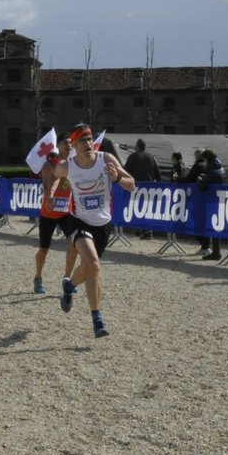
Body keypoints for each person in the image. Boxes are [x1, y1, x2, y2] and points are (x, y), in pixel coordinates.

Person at [44, 124, 134, 338]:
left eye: (90, 139)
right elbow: (55, 176)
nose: (88, 144)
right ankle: (97, 319)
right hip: (78, 221)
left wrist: (117, 179)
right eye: (83, 141)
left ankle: (70, 286)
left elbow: (132, 184)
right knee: (94, 264)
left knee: (90, 269)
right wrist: (50, 194)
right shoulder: (68, 166)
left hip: (103, 225)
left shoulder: (106, 160)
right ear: (74, 146)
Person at [33, 149, 77, 295]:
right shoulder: (49, 165)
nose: (69, 147)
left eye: (71, 144)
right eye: (65, 143)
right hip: (49, 212)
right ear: (59, 145)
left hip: (65, 212)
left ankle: (68, 279)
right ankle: (38, 277)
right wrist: (49, 198)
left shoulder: (73, 163)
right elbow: (46, 186)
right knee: (44, 249)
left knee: (74, 244)